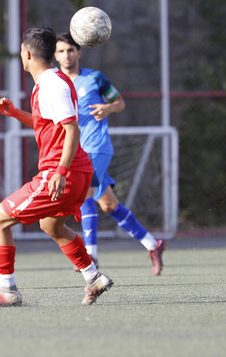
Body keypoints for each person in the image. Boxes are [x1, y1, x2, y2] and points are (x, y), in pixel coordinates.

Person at [0, 27, 113, 308]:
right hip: (77, 171)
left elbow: (71, 128)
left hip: (63, 172)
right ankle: (92, 276)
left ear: (26, 54)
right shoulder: (51, 82)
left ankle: (7, 290)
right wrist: (15, 113)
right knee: (51, 225)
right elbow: (46, 124)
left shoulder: (51, 84)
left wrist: (60, 171)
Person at [54, 32, 166, 276]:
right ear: (55, 55)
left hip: (97, 146)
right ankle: (153, 244)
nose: (66, 55)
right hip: (74, 150)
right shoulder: (56, 83)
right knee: (108, 204)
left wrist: (108, 108)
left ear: (79, 52)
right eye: (61, 51)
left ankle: (91, 255)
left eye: (70, 50)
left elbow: (120, 103)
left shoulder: (95, 78)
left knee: (85, 194)